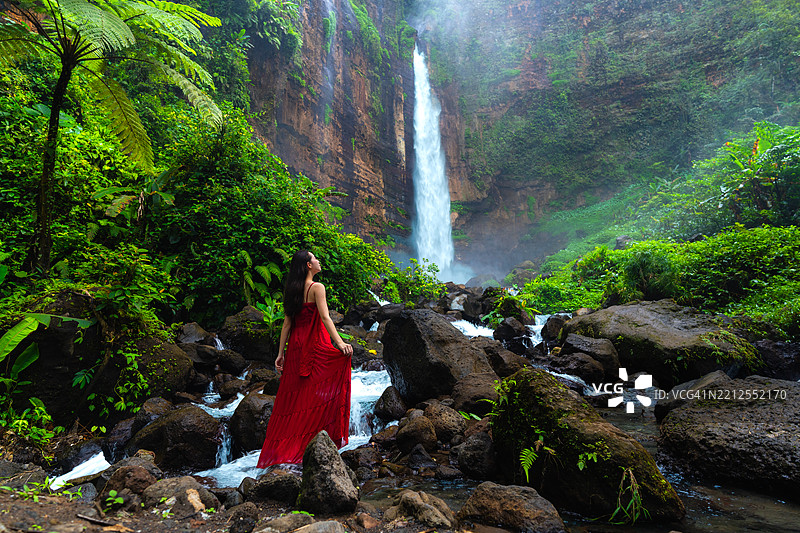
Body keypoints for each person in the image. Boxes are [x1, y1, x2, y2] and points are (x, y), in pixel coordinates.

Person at [257, 250, 354, 467]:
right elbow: (325, 317)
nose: (319, 261)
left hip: (295, 347)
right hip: (314, 343)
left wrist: (281, 354)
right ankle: (309, 443)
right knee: (314, 393)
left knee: (295, 398)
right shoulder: (317, 287)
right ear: (308, 265)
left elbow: (287, 324)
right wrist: (340, 343)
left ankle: (285, 450)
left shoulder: (292, 289)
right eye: (315, 258)